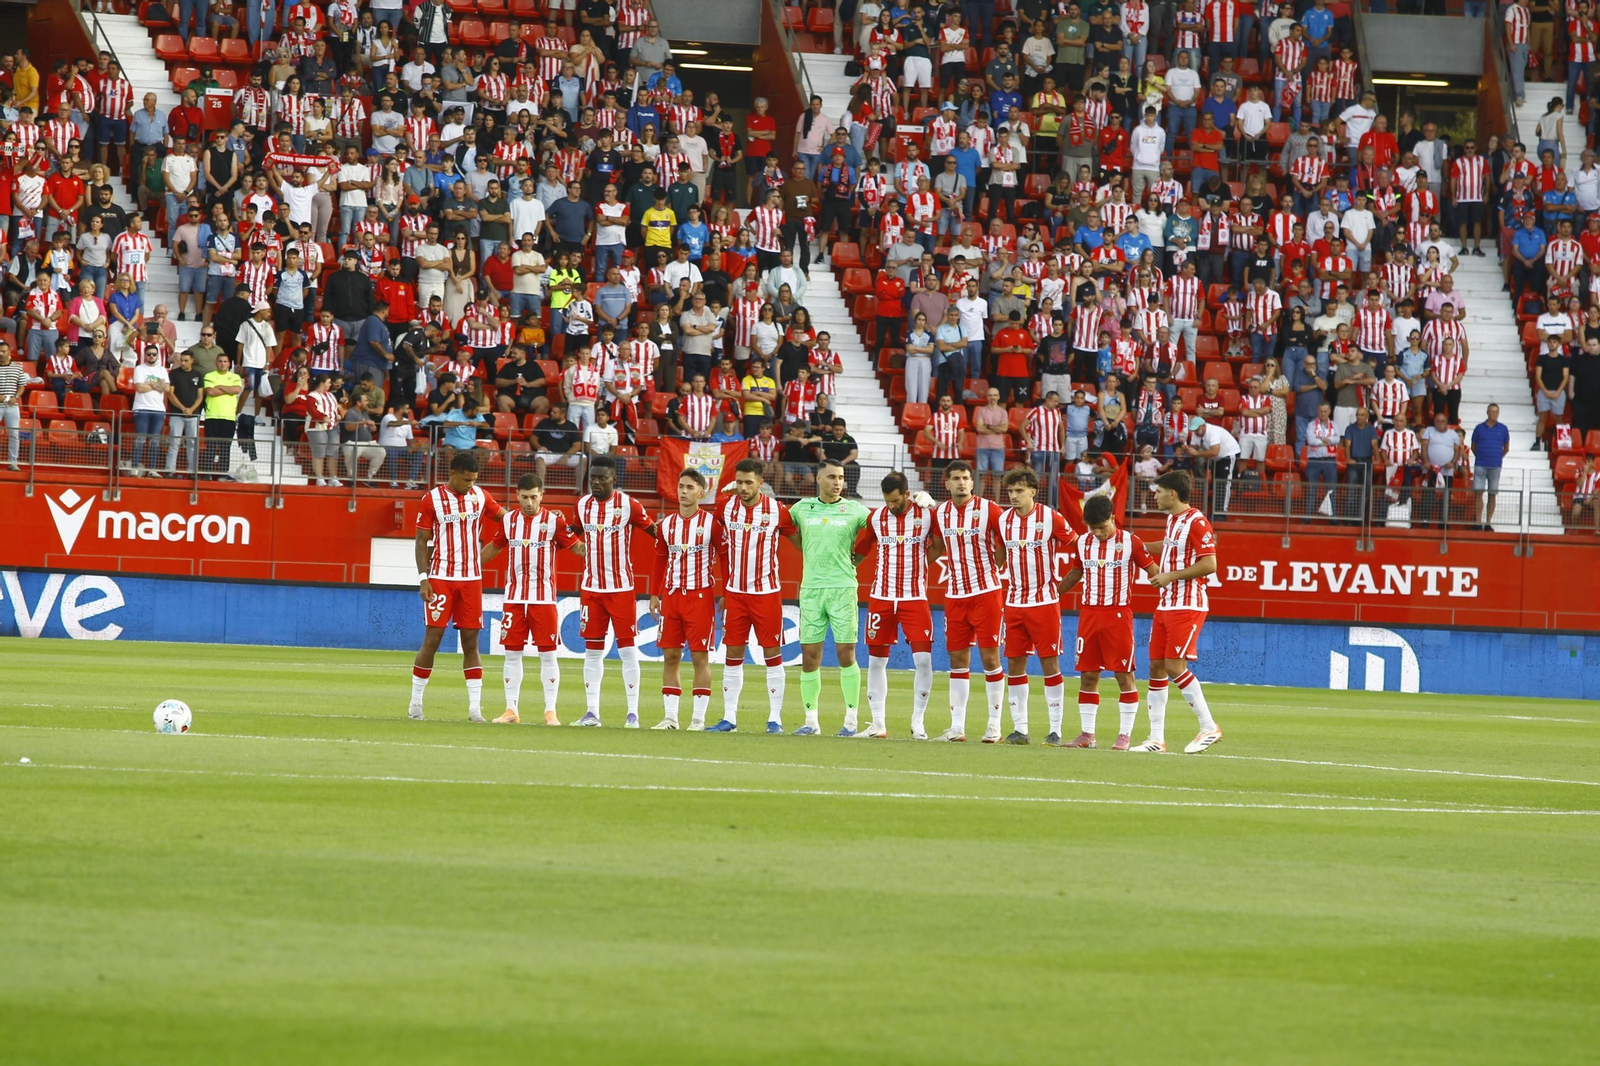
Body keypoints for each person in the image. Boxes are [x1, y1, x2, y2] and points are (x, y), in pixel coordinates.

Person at [409, 450, 506, 722]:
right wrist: (423, 577)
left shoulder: (480, 496)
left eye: (474, 479)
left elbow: (508, 519)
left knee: (471, 642)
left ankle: (475, 709)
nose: (470, 484)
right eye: (466, 479)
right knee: (433, 639)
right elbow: (420, 541)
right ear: (452, 474)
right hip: (440, 577)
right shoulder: (432, 500)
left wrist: (542, 515)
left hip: (472, 579)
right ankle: (415, 703)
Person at [1059, 492, 1159, 750]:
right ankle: (1087, 735)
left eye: (1102, 527)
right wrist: (1053, 593)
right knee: (1088, 675)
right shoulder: (1083, 542)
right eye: (1094, 528)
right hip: (1089, 615)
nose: (1099, 533)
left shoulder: (1130, 542)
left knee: (1123, 675)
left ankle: (1124, 735)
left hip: (1118, 614)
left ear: (1113, 518)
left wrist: (1168, 587)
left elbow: (1154, 571)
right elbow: (1076, 572)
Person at [480, 472, 581, 725]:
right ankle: (511, 710)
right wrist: (469, 565)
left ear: (542, 495)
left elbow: (577, 547)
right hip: (514, 598)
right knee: (512, 654)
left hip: (544, 599)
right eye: (524, 497)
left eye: (534, 497)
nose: (528, 503)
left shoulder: (554, 522)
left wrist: (601, 550)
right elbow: (494, 547)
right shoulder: (508, 521)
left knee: (548, 655)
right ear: (517, 495)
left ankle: (550, 711)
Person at [705, 458, 797, 733]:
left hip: (766, 593)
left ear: (761, 483)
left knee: (772, 654)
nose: (743, 487)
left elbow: (798, 540)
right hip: (735, 594)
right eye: (739, 482)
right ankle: (729, 718)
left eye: (749, 482)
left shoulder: (777, 510)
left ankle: (775, 719)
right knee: (733, 653)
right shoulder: (726, 507)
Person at [1135, 469, 1223, 754]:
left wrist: (1170, 576)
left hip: (1187, 604)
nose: (1156, 496)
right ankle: (1156, 739)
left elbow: (1210, 564)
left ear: (1172, 493)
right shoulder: (1174, 520)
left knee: (1174, 666)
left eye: (1159, 492)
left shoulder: (1197, 522)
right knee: (1157, 668)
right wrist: (1138, 547)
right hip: (1167, 603)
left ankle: (1209, 726)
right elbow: (1171, 546)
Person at [568, 456, 658, 728]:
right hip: (591, 589)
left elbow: (655, 532)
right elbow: (571, 532)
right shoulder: (583, 505)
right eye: (592, 477)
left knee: (628, 651)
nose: (595, 482)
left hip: (621, 589)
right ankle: (592, 712)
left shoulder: (628, 505)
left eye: (601, 478)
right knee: (593, 651)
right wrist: (563, 529)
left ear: (613, 480)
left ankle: (633, 714)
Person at [786, 458, 871, 736]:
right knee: (810, 656)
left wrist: (856, 558)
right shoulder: (802, 508)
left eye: (841, 478)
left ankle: (851, 721)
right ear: (818, 479)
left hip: (843, 589)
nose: (837, 483)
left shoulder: (855, 509)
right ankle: (811, 721)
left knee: (846, 654)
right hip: (811, 590)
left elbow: (879, 526)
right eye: (832, 477)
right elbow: (780, 523)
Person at [853, 472, 937, 739]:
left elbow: (945, 541)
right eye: (887, 501)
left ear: (907, 493)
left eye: (895, 501)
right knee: (876, 661)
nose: (890, 506)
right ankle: (878, 724)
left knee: (923, 661)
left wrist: (934, 505)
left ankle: (918, 720)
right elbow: (860, 551)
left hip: (915, 598)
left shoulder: (926, 516)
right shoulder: (876, 518)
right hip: (881, 597)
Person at [994, 466, 1074, 745]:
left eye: (1019, 491)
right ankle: (1021, 729)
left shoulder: (1050, 517)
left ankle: (1055, 730)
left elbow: (1078, 548)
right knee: (1015, 663)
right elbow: (1001, 551)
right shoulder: (1004, 520)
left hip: (1044, 603)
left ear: (1032, 491)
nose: (1014, 496)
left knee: (1049, 663)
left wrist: (1060, 587)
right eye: (1010, 491)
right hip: (1014, 603)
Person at [650, 468, 723, 730]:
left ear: (701, 493)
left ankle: (698, 719)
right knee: (670, 656)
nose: (683, 491)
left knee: (699, 658)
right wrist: (655, 594)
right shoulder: (667, 524)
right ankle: (670, 718)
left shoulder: (711, 524)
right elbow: (660, 560)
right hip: (671, 597)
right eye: (681, 486)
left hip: (700, 597)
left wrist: (724, 594)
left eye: (690, 487)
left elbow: (724, 559)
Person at [201, 352, 244, 478]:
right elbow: (210, 391)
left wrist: (219, 387)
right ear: (216, 363)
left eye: (225, 361)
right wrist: (227, 390)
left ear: (229, 364)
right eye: (220, 361)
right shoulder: (209, 375)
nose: (222, 364)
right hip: (212, 416)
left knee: (226, 447)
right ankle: (207, 473)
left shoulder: (235, 376)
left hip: (229, 417)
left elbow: (237, 390)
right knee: (211, 447)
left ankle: (223, 474)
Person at [1470, 403, 1511, 530]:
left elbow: (1506, 448)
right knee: (1478, 493)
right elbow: (1473, 446)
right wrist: (1481, 456)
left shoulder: (1503, 429)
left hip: (1495, 466)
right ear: (1487, 412)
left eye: (1496, 412)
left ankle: (1488, 522)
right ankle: (1478, 522)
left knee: (1492, 494)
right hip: (1480, 465)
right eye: (1492, 411)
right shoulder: (1479, 428)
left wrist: (1497, 458)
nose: (1494, 414)